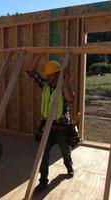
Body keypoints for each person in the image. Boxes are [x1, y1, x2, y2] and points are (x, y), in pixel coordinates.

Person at [27, 55, 75, 192]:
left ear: (57, 74)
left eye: (50, 75)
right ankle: (43, 182)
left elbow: (71, 99)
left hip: (62, 128)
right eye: (47, 75)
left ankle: (69, 167)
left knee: (66, 152)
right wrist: (38, 57)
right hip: (47, 128)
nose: (47, 77)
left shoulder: (63, 87)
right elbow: (31, 73)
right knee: (43, 154)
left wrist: (65, 82)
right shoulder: (45, 85)